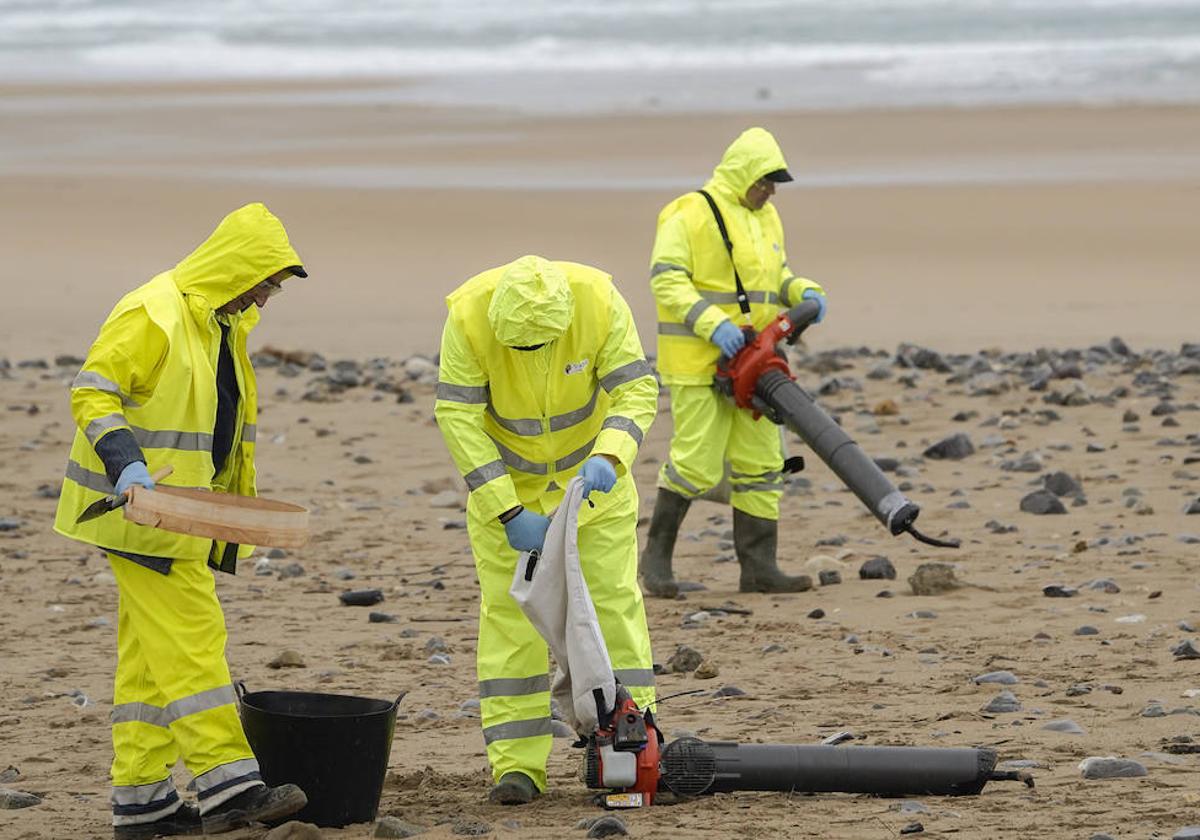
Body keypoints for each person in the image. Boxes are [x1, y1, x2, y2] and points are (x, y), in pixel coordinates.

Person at [53, 203, 310, 838]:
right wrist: (127, 465)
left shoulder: (219, 321)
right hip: (139, 512)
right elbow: (93, 390)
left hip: (183, 515)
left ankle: (142, 805)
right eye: (267, 282)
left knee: (147, 661)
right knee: (196, 642)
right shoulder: (155, 312)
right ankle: (230, 786)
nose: (269, 297)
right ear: (238, 269)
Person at [434, 255, 657, 805]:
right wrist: (507, 511)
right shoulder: (467, 315)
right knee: (511, 627)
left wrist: (612, 454)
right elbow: (458, 418)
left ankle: (630, 747)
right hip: (509, 502)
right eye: (520, 347)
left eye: (540, 345)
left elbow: (636, 391)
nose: (530, 354)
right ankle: (517, 767)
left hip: (595, 493)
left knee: (613, 613)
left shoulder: (599, 302)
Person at [640, 126, 828, 598]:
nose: (770, 191)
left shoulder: (768, 218)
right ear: (742, 173)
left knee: (763, 464)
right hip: (699, 362)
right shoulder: (689, 213)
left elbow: (774, 275)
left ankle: (759, 568)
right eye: (764, 181)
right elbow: (666, 279)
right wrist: (712, 324)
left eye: (775, 184)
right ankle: (655, 563)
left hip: (757, 365)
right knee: (695, 463)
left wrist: (800, 291)